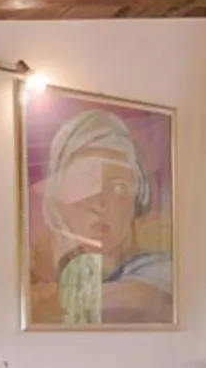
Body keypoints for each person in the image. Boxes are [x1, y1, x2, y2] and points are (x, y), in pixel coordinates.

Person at [37, 108, 173, 325]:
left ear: (136, 201)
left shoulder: (160, 270)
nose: (101, 202)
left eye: (119, 187)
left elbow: (129, 301)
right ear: (58, 197)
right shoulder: (75, 272)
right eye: (85, 182)